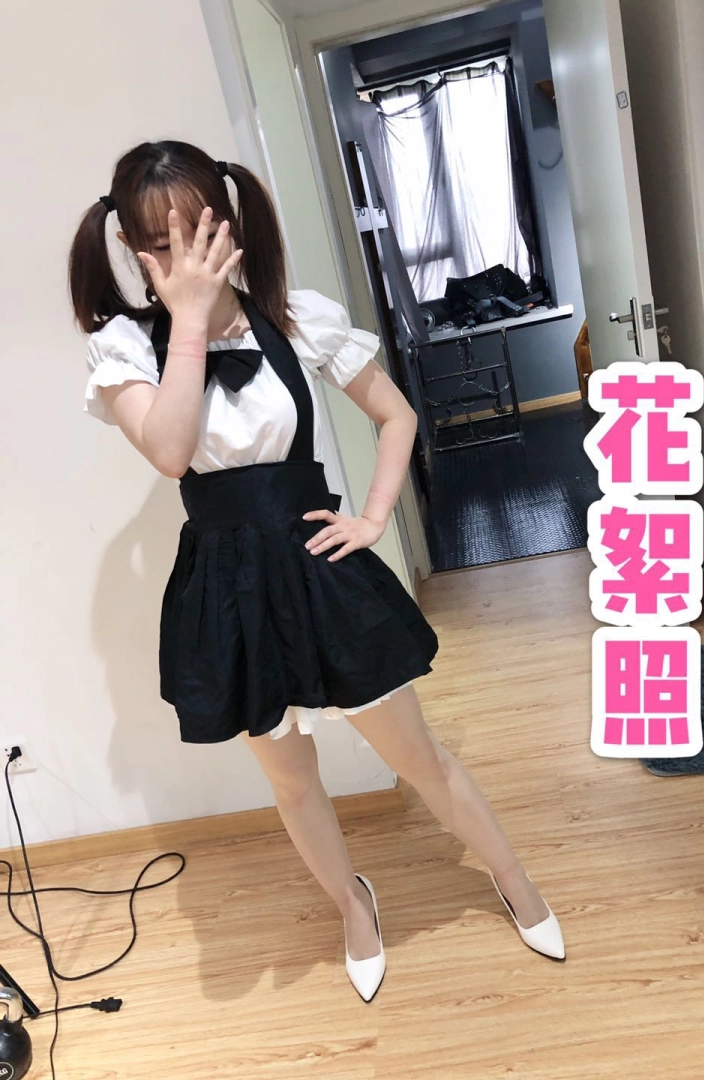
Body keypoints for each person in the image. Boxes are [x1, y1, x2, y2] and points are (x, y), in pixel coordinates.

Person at [70, 140, 565, 1002]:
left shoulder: (297, 318)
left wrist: (372, 518)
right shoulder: (125, 348)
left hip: (318, 568)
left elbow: (397, 415)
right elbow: (171, 452)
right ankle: (352, 906)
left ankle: (514, 878)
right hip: (227, 590)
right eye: (159, 243)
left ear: (227, 225)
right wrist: (189, 323)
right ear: (129, 248)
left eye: (195, 233)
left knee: (419, 757)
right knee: (292, 782)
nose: (183, 258)